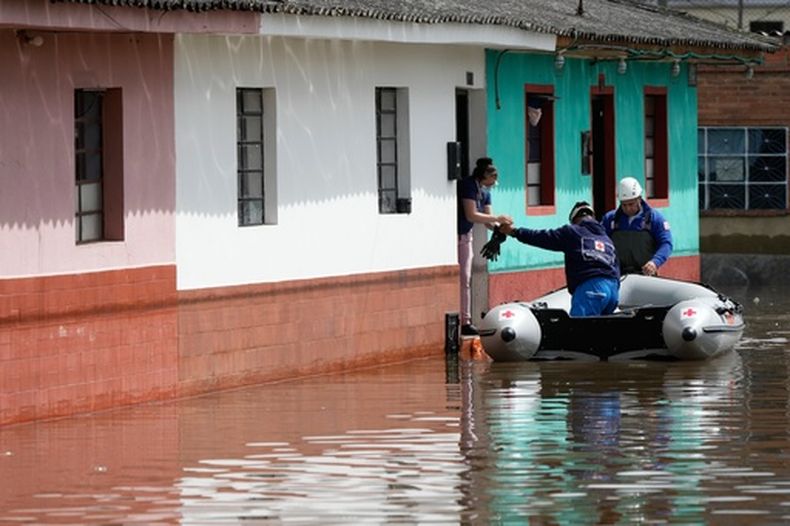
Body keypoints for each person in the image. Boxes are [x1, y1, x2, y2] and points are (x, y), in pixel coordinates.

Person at [499, 201, 620, 317]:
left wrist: (514, 232)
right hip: (612, 291)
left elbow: (542, 237)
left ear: (574, 220)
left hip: (591, 289)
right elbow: (616, 268)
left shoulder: (572, 232)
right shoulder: (607, 240)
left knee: (580, 332)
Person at [457, 158, 513, 336]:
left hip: (466, 236)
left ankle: (466, 320)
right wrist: (497, 218)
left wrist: (500, 229)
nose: (494, 183)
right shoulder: (468, 186)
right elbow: (472, 214)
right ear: (484, 176)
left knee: (466, 277)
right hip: (454, 234)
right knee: (460, 277)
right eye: (492, 179)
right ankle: (462, 319)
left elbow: (487, 219)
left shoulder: (486, 191)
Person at [602, 177, 673, 276]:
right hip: (618, 275)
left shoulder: (655, 218)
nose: (627, 208)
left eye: (631, 204)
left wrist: (655, 262)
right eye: (624, 205)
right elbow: (601, 242)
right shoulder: (610, 219)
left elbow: (666, 243)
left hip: (646, 276)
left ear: (639, 199)